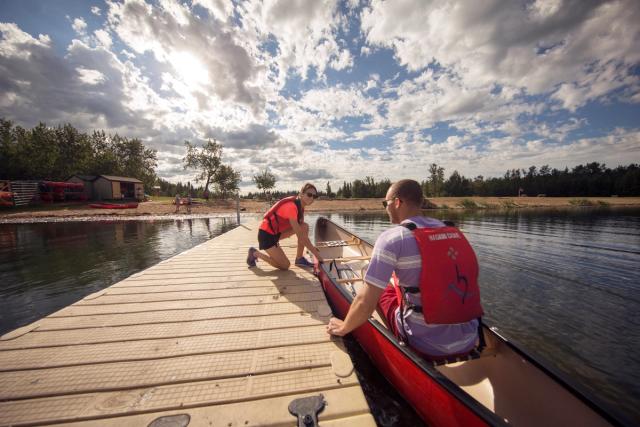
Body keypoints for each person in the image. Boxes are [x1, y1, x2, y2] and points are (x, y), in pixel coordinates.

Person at [326, 179, 482, 360]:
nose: (385, 208)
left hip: (425, 344)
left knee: (375, 286)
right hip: (471, 337)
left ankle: (397, 340)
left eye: (386, 203)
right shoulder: (455, 231)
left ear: (397, 202)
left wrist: (344, 327)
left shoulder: (392, 238)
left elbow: (365, 303)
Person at [247, 183, 324, 270]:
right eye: (309, 194)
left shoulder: (300, 206)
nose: (312, 198)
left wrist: (313, 250)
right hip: (266, 235)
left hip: (276, 234)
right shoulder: (292, 207)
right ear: (301, 194)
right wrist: (317, 256)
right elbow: (301, 237)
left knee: (304, 226)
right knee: (285, 266)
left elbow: (301, 231)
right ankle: (255, 253)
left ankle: (299, 259)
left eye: (314, 196)